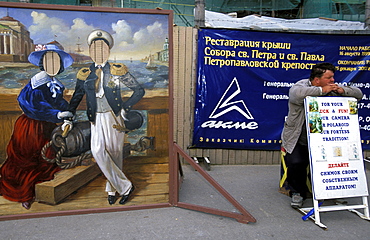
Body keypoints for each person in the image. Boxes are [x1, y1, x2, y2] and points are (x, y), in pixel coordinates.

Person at [68, 30, 145, 205]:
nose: (99, 52)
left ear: (108, 51)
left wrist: (126, 106)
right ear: (90, 51)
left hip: (114, 117)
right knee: (97, 151)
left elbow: (139, 90)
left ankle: (112, 190)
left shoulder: (117, 70)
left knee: (115, 154)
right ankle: (126, 187)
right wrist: (68, 115)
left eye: (102, 48)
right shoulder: (85, 73)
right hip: (95, 117)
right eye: (94, 48)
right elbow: (77, 95)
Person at [0, 42, 74, 209]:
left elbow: (57, 102)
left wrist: (66, 112)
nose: (52, 65)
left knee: (45, 159)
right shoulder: (36, 82)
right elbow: (33, 104)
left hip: (46, 127)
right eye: (49, 62)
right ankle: (23, 193)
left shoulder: (55, 83)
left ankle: (36, 190)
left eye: (56, 62)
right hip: (30, 127)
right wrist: (56, 114)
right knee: (25, 160)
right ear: (43, 64)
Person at [280, 62, 363, 208]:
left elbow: (358, 94)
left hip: (324, 139)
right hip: (298, 137)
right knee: (296, 163)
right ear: (317, 80)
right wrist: (321, 91)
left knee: (328, 165)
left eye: (333, 77)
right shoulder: (301, 86)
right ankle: (297, 193)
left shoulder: (334, 88)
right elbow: (296, 95)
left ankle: (328, 192)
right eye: (329, 78)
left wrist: (343, 91)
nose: (332, 81)